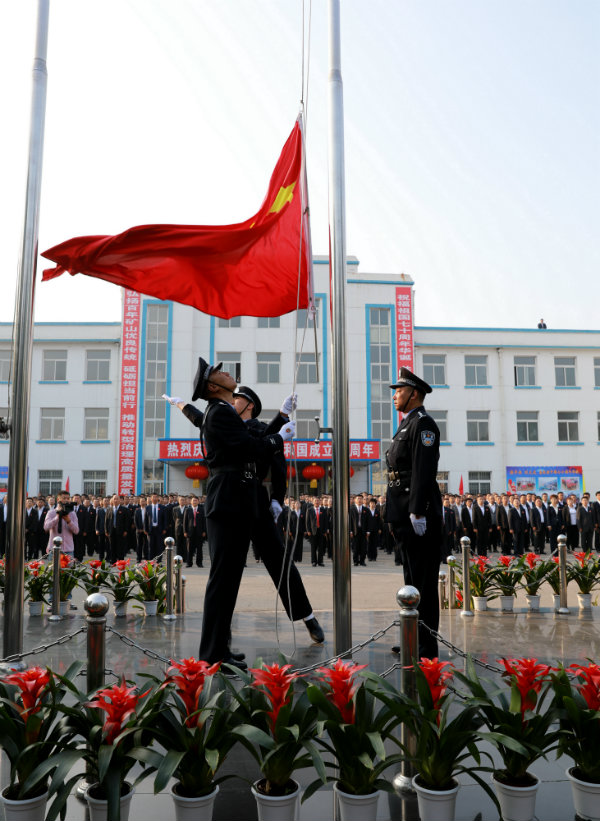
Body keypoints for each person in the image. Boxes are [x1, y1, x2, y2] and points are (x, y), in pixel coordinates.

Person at [176, 358, 295, 671]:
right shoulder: (219, 413)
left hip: (235, 502)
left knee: (228, 582)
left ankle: (219, 650)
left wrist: (279, 424)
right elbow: (252, 448)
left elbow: (252, 443)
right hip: (228, 502)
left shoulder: (224, 412)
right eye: (219, 372)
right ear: (213, 387)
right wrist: (280, 437)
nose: (226, 372)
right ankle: (212, 655)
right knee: (222, 581)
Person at [384, 367, 443, 660]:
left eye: (399, 391)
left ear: (414, 394)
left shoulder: (424, 424)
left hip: (417, 513)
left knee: (424, 584)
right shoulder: (407, 424)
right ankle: (413, 638)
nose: (395, 395)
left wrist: (418, 510)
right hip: (401, 512)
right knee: (411, 581)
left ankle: (426, 647)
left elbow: (423, 470)